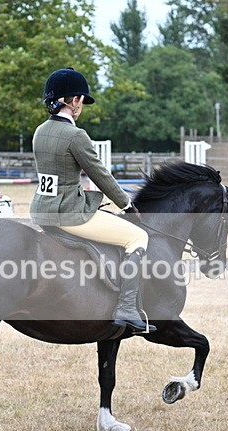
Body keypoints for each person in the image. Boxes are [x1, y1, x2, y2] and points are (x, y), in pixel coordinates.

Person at [30, 67, 153, 333]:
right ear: (73, 100)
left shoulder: (40, 131)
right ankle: (127, 308)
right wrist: (127, 205)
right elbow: (100, 174)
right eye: (82, 100)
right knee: (137, 238)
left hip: (42, 210)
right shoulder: (75, 135)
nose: (82, 105)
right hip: (68, 214)